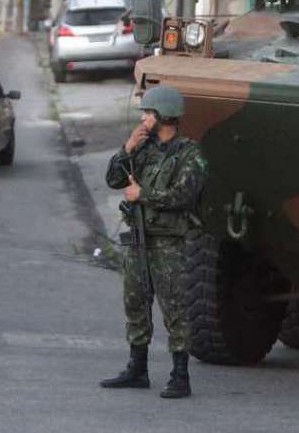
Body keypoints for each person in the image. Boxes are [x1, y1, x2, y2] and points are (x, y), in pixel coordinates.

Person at [101, 85, 207, 399]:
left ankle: (180, 374)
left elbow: (184, 195)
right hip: (139, 239)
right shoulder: (144, 149)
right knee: (135, 301)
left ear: (164, 115)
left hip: (168, 242)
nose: (144, 118)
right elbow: (113, 179)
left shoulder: (190, 154)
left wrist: (142, 195)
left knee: (174, 307)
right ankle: (137, 369)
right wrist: (128, 148)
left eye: (148, 113)